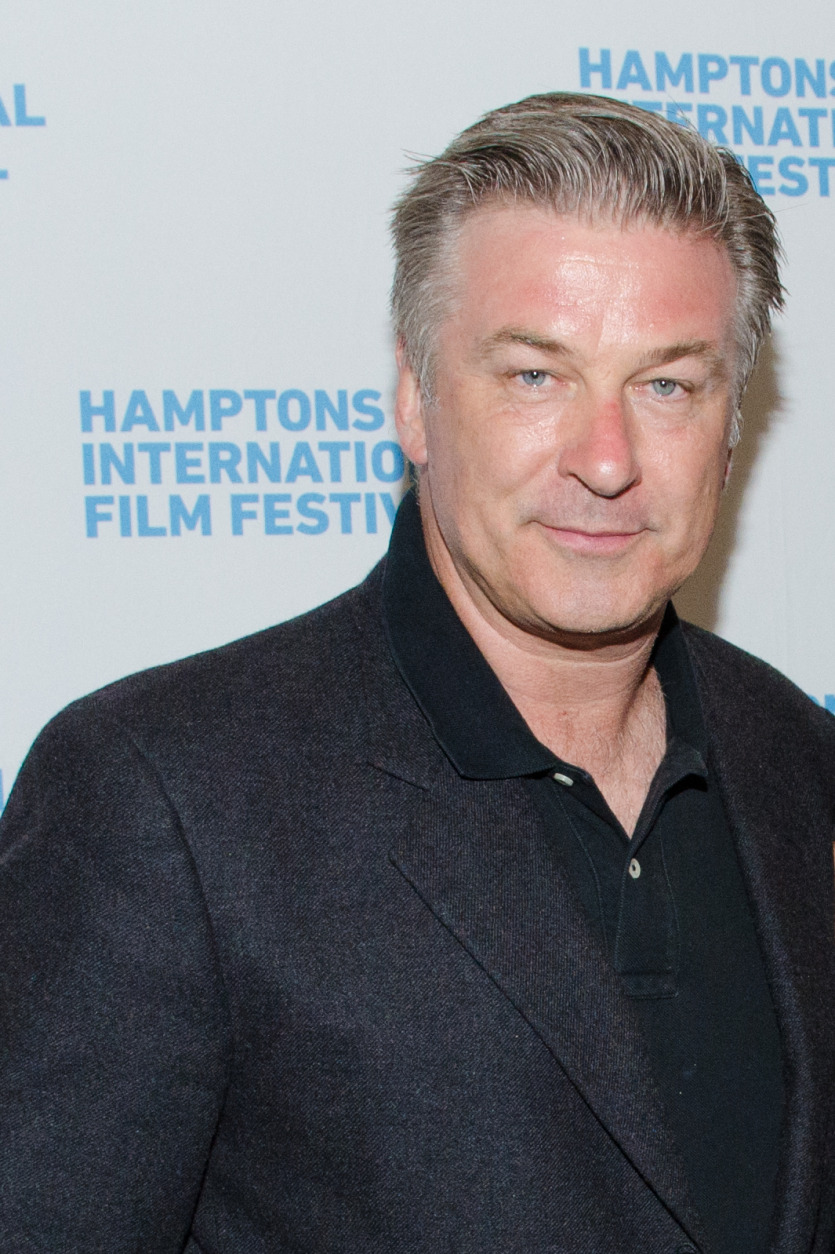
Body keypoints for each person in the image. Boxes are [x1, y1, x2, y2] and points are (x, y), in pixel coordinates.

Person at [1, 93, 834, 1254]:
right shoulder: (165, 799)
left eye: (666, 386)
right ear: (413, 398)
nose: (605, 461)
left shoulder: (797, 757)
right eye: (535, 376)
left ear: (731, 425)